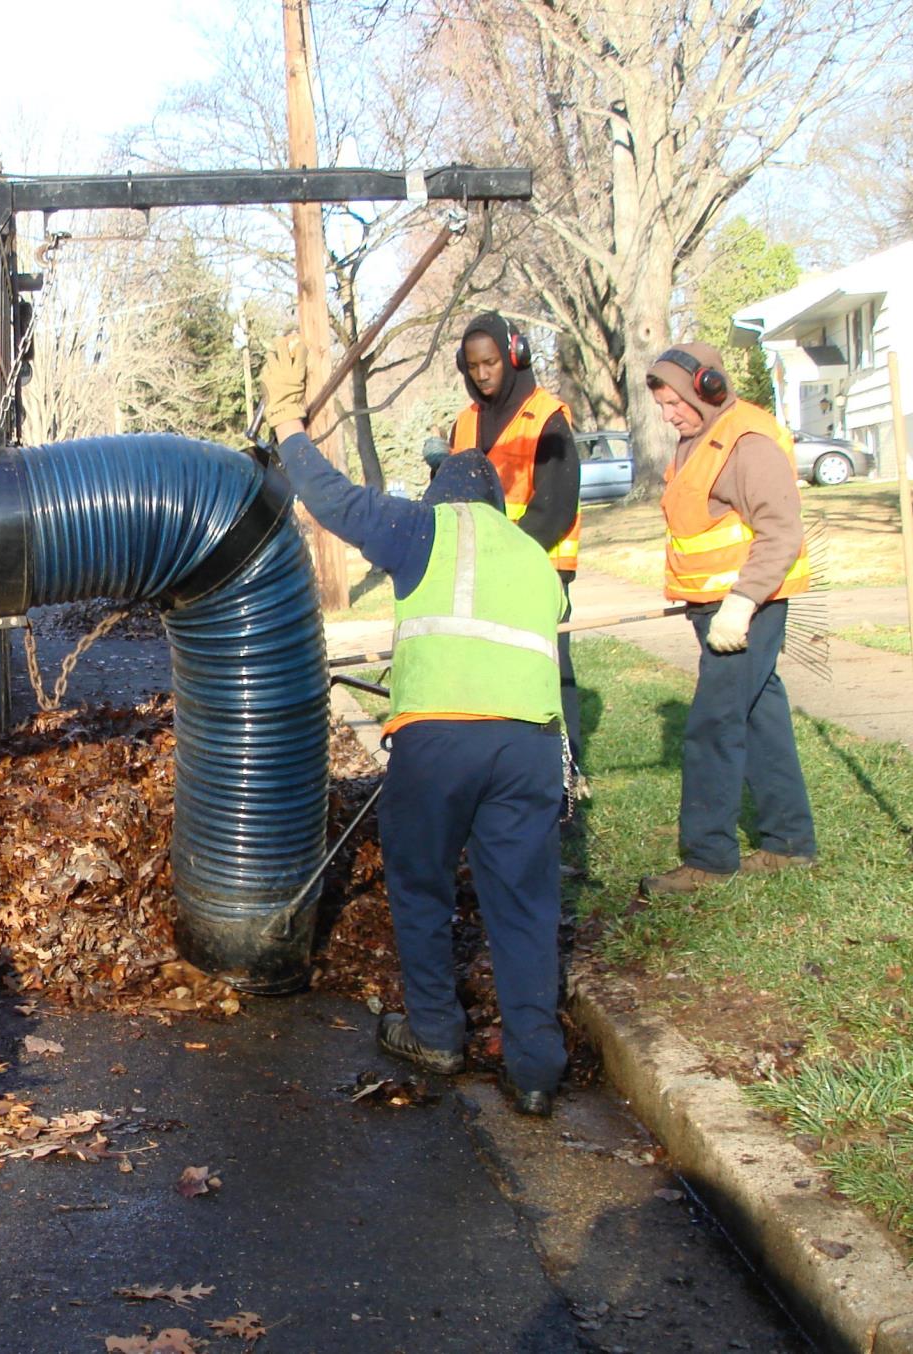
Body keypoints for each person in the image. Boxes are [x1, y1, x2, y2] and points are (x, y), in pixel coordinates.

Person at [261, 335, 568, 1116]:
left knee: (423, 883)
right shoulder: (535, 557)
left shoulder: (421, 530)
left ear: (440, 498)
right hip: (530, 746)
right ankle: (535, 1069)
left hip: (439, 744)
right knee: (524, 905)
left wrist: (285, 420)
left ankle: (436, 1030)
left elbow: (327, 497)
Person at [638, 342, 817, 895]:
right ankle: (789, 842)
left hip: (746, 608)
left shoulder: (748, 440)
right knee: (760, 715)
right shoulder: (697, 441)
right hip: (715, 608)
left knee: (712, 725)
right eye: (663, 405)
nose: (669, 415)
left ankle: (709, 858)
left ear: (707, 387)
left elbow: (781, 533)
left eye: (674, 402)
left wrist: (740, 604)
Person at [451, 313, 585, 780]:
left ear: (514, 357)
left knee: (547, 673)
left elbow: (555, 507)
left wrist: (505, 556)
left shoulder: (547, 418)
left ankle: (566, 775)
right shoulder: (465, 423)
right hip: (481, 573)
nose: (483, 374)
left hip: (539, 568)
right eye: (473, 366)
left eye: (490, 362)